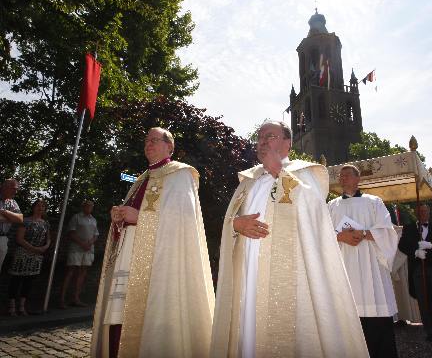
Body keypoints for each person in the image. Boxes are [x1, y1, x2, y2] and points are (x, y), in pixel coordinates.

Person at [210, 120, 369, 358]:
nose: (263, 141)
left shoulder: (306, 173)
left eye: (270, 136)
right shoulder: (247, 181)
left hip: (293, 273)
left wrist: (279, 172)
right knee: (248, 328)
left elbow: (315, 214)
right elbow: (229, 220)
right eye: (260, 137)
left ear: (288, 142)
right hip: (247, 270)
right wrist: (236, 224)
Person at [91, 127, 214, 358]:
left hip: (162, 261)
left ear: (170, 146)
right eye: (146, 140)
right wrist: (118, 219)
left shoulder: (180, 174)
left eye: (154, 140)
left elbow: (184, 219)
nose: (148, 144)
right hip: (129, 254)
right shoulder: (139, 180)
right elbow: (131, 218)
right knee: (120, 314)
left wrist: (140, 217)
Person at [328, 165, 399, 358]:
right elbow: (322, 234)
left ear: (358, 179)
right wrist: (339, 237)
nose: (342, 178)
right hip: (344, 266)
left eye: (347, 175)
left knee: (377, 324)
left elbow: (387, 231)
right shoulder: (331, 206)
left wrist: (365, 233)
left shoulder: (374, 202)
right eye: (340, 176)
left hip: (371, 267)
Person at [399, 203, 432, 343]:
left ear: (429, 212)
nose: (423, 213)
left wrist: (431, 246)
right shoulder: (409, 228)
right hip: (418, 269)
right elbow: (402, 245)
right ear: (416, 213)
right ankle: (431, 331)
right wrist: (415, 251)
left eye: (425, 211)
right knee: (424, 302)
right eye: (420, 211)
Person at [7, 199, 51, 316]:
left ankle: (22, 306)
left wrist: (44, 247)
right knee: (16, 280)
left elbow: (48, 239)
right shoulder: (25, 221)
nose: (40, 208)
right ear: (33, 207)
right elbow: (19, 238)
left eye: (42, 206)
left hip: (36, 256)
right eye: (38, 205)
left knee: (29, 281)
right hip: (23, 254)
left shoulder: (45, 223)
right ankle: (12, 307)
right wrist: (33, 248)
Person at [60, 200, 99, 308]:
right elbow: (71, 233)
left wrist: (90, 243)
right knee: (71, 271)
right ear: (83, 207)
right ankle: (62, 299)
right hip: (76, 249)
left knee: (83, 272)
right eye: (87, 206)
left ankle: (76, 298)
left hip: (88, 250)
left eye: (91, 206)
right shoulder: (76, 217)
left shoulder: (93, 220)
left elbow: (96, 235)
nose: (89, 208)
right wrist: (82, 244)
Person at [0, 179, 23, 271]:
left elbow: (20, 219)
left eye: (16, 189)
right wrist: (10, 218)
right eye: (13, 189)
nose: (15, 192)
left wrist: (3, 211)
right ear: (4, 187)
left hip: (3, 239)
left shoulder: (12, 202)